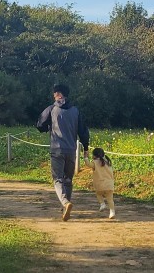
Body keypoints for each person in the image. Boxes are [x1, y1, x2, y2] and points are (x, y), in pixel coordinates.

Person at [36, 83, 90, 221]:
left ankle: (65, 203)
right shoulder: (76, 111)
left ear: (58, 94)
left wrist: (48, 127)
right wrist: (86, 147)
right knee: (68, 180)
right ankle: (65, 208)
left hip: (56, 149)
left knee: (58, 179)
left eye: (55, 93)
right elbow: (83, 131)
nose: (54, 95)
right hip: (71, 150)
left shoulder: (52, 109)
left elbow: (40, 125)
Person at [90, 147, 116, 219]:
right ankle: (112, 212)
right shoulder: (108, 161)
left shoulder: (95, 162)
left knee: (98, 194)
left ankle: (102, 204)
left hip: (100, 184)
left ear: (94, 155)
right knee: (110, 199)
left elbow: (88, 165)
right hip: (109, 184)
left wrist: (85, 158)